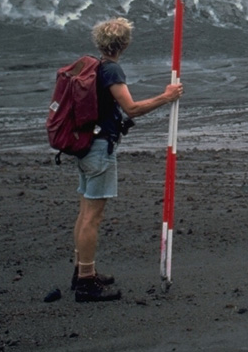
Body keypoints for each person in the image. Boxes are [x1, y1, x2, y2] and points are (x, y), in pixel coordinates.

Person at [73, 17, 183, 303]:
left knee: (85, 212)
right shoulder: (111, 71)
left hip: (85, 146)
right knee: (93, 217)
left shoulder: (93, 67)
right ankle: (86, 282)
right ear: (124, 44)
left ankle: (83, 271)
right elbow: (132, 108)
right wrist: (167, 97)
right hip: (99, 150)